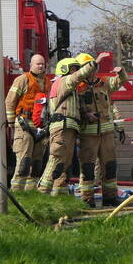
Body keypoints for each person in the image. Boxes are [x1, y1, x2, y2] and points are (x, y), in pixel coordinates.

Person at [37, 53, 107, 196]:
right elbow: (78, 76)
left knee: (64, 162)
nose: (76, 72)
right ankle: (42, 192)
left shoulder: (70, 89)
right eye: (74, 69)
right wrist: (95, 62)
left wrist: (87, 115)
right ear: (65, 69)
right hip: (62, 127)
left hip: (68, 127)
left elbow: (75, 107)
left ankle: (59, 195)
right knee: (57, 158)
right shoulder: (63, 81)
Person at [74, 52, 128, 207]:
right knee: (88, 169)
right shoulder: (77, 86)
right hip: (87, 135)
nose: (93, 69)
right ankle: (87, 200)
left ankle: (110, 198)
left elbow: (121, 81)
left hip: (107, 134)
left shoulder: (103, 83)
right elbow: (74, 109)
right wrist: (85, 115)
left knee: (109, 166)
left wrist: (121, 72)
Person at [5, 53, 49, 190]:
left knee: (36, 165)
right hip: (24, 124)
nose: (41, 66)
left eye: (42, 64)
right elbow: (10, 101)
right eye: (38, 64)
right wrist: (11, 122)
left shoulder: (47, 82)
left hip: (41, 127)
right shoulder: (22, 80)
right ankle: (17, 193)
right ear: (31, 65)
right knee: (24, 163)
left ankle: (31, 193)